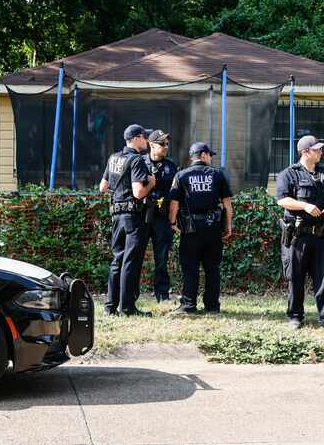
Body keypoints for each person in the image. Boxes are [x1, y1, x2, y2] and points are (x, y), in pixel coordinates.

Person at [275, 135, 324, 334]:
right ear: (305, 152)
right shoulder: (289, 174)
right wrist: (304, 205)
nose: (321, 152)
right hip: (298, 236)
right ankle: (295, 317)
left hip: (322, 236)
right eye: (317, 149)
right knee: (295, 277)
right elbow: (282, 200)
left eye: (320, 149)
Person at [168, 142, 233, 314]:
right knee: (212, 267)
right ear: (203, 155)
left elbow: (174, 203)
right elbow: (227, 205)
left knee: (190, 266)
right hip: (213, 227)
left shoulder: (181, 175)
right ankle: (212, 306)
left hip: (190, 229)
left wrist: (172, 223)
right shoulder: (218, 175)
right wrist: (228, 226)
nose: (211, 158)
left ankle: (188, 305)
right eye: (210, 155)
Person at [99, 124, 156, 316]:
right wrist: (152, 184)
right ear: (137, 138)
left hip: (116, 215)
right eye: (145, 137)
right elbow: (138, 192)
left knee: (117, 260)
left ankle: (109, 307)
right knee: (130, 262)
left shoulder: (113, 157)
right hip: (133, 216)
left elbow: (103, 187)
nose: (147, 141)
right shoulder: (136, 160)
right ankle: (127, 308)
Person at [143, 130, 178, 302]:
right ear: (151, 145)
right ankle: (130, 295)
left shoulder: (171, 166)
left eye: (167, 144)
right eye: (162, 144)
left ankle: (162, 295)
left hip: (162, 218)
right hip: (141, 217)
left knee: (162, 259)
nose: (166, 147)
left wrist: (173, 220)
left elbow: (175, 195)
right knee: (135, 257)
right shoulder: (140, 162)